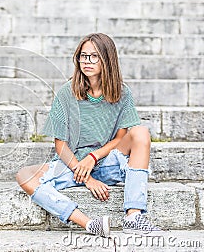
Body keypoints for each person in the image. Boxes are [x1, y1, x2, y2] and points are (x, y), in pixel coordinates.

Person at [16, 33, 161, 237]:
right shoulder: (67, 93)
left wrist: (93, 157)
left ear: (107, 60)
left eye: (94, 56)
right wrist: (86, 178)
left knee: (141, 132)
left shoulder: (122, 93)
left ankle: (133, 216)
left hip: (107, 163)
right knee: (24, 175)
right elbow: (61, 145)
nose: (87, 61)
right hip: (72, 166)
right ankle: (90, 224)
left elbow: (120, 139)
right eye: (83, 56)